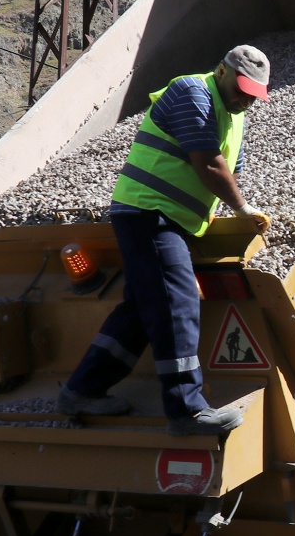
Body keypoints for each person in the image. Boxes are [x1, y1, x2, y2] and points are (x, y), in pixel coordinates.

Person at [57, 45, 273, 435]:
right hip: (149, 212)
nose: (245, 100)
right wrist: (242, 209)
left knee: (143, 308)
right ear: (221, 71)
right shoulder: (192, 91)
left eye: (253, 95)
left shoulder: (235, 117)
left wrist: (237, 206)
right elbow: (208, 163)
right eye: (241, 89)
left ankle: (82, 389)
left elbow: (228, 171)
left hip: (170, 220)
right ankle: (186, 410)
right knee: (178, 302)